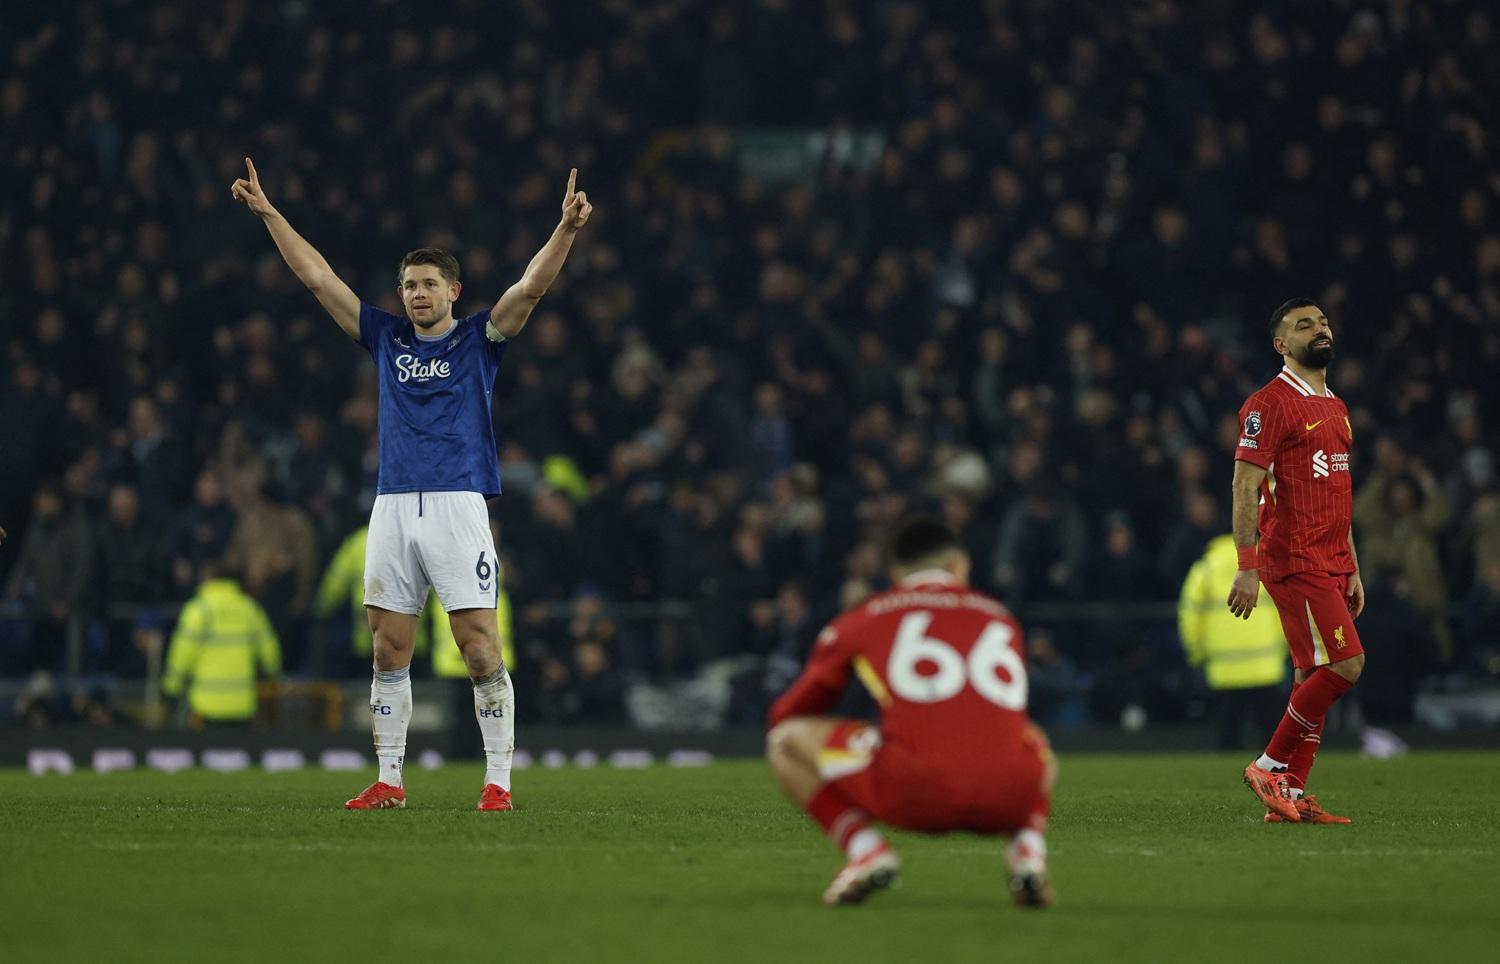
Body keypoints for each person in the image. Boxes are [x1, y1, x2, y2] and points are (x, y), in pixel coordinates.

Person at [231, 157, 592, 811]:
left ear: (453, 290)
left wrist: (565, 229)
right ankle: (390, 780)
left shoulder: (480, 339)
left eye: (428, 284)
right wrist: (269, 213)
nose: (417, 294)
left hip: (457, 502)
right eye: (408, 285)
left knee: (478, 647)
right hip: (393, 505)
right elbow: (318, 278)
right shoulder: (386, 338)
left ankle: (498, 782)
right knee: (388, 647)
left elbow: (531, 288)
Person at [766, 516, 1057, 908]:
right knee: (1035, 740)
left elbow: (792, 712)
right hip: (1011, 796)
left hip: (914, 792)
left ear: (895, 575)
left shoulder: (865, 617)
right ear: (958, 566)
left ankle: (866, 850)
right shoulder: (1000, 616)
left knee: (785, 741)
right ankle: (1027, 853)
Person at [1228, 298, 1365, 825]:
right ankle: (1267, 766)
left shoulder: (1336, 405)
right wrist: (1246, 565)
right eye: (1304, 325)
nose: (1319, 329)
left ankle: (1291, 793)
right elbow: (1244, 486)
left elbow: (1337, 489)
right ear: (1281, 344)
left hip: (1329, 558)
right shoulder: (1269, 404)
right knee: (1347, 664)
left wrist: (1351, 564)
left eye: (1323, 321)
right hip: (1294, 555)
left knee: (1312, 674)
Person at [1179, 533, 1288, 749]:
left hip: (1223, 670)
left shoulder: (1205, 569)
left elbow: (1190, 616)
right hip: (1265, 665)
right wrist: (1285, 648)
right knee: (1273, 741)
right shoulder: (1265, 563)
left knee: (1227, 738)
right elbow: (1285, 607)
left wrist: (1196, 654)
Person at [162, 559, 281, 725]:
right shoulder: (249, 609)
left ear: (208, 579)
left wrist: (171, 688)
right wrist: (272, 675)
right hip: (242, 703)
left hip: (206, 704)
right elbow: (269, 650)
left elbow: (182, 653)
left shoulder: (199, 610)